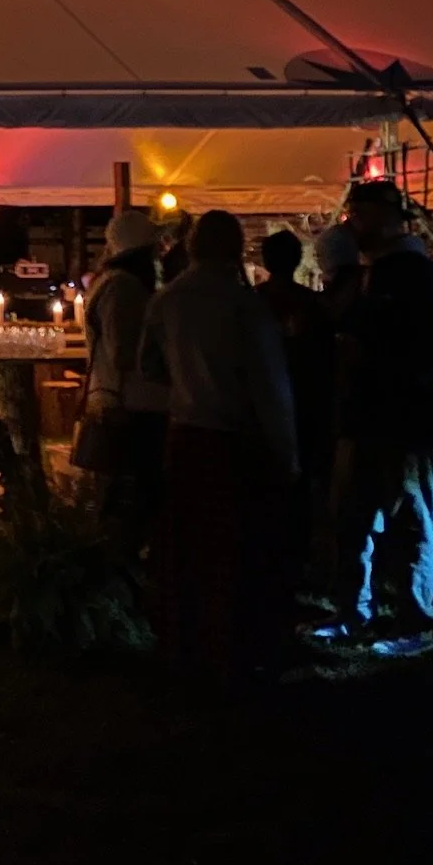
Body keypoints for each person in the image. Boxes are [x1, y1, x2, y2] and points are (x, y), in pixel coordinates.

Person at [311, 180, 433, 657]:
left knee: (412, 520)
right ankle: (355, 612)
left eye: (358, 213)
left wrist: (394, 366)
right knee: (359, 519)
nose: (351, 223)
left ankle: (412, 624)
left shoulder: (414, 276)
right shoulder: (376, 275)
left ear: (386, 217)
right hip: (373, 417)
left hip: (404, 418)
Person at [142, 210, 296, 677]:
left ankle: (184, 641)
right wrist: (287, 452)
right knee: (233, 548)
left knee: (187, 547)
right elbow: (269, 385)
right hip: (235, 440)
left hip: (186, 433)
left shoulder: (166, 300)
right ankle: (229, 645)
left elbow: (147, 369)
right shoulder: (243, 306)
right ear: (234, 250)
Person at [255, 228, 336, 593]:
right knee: (302, 487)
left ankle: (270, 555)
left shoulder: (252, 303)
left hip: (265, 404)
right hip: (308, 403)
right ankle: (300, 557)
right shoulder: (313, 305)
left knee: (268, 484)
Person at [82, 210, 167, 546]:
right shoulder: (125, 288)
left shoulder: (109, 282)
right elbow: (124, 352)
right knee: (130, 503)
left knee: (119, 501)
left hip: (119, 403)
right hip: (132, 407)